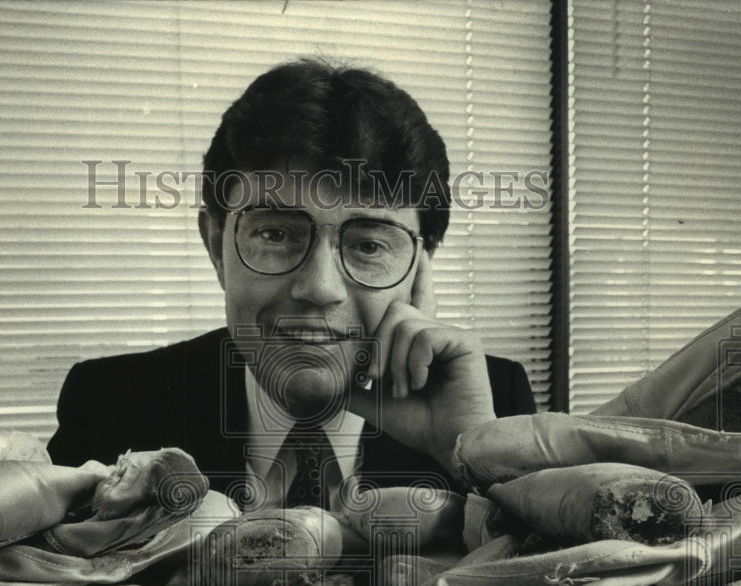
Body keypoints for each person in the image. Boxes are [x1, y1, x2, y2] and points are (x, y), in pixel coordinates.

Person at [47, 58, 536, 510]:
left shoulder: (493, 404)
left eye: (368, 246)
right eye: (276, 234)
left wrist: (469, 455)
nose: (320, 287)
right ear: (216, 245)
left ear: (419, 267)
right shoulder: (111, 404)